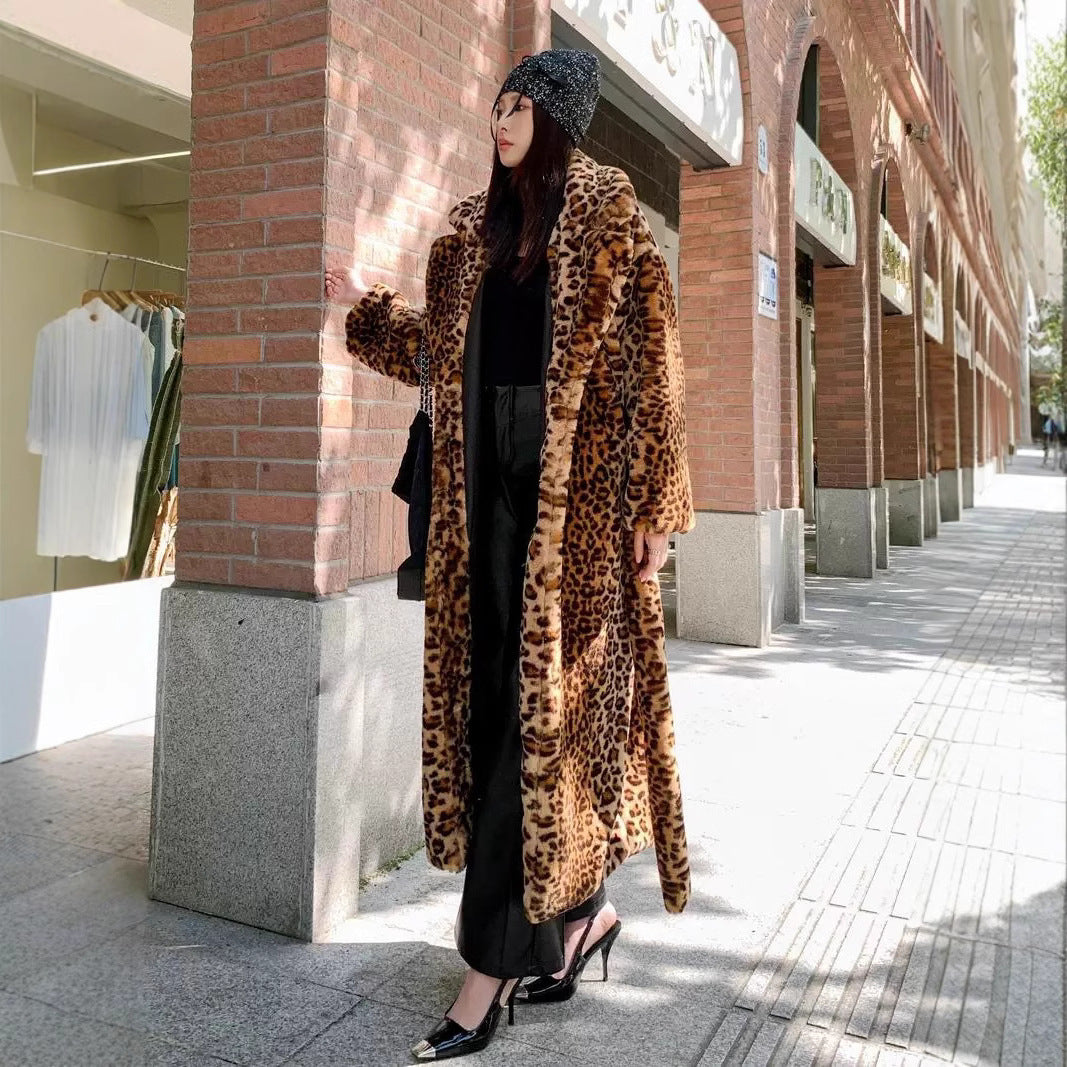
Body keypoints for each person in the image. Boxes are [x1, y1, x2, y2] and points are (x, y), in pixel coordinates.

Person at [326, 49, 694, 1062]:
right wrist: (361, 307)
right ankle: (583, 916)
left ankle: (485, 973)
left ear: (559, 119)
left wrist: (658, 509)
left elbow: (654, 371)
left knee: (538, 724)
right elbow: (439, 355)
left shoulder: (611, 224)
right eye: (497, 102)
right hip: (480, 494)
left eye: (520, 104)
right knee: (505, 711)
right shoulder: (472, 235)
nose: (499, 117)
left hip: (576, 513)